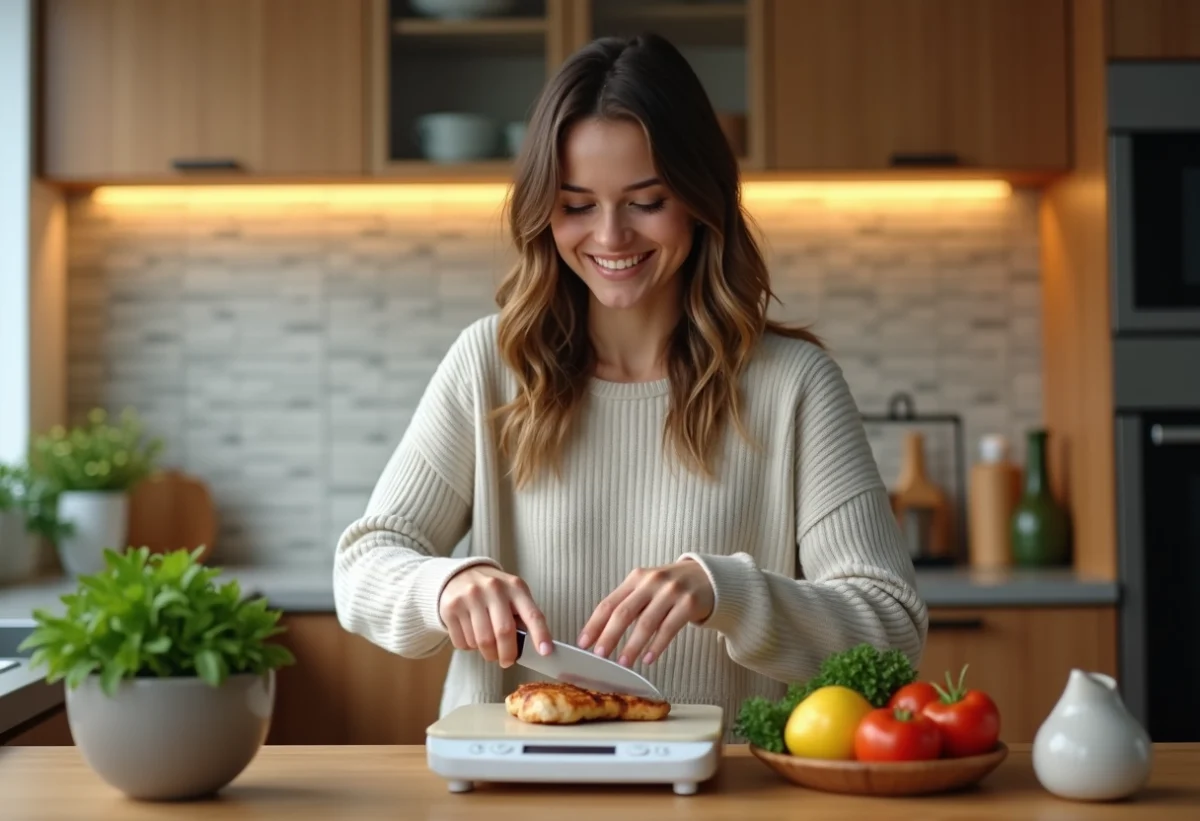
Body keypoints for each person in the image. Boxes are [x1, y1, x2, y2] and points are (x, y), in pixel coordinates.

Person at [333, 32, 927, 737]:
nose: (610, 236)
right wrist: (445, 585)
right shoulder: (488, 365)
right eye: (577, 204)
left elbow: (893, 628)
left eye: (646, 200)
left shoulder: (792, 386)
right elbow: (363, 566)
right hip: (515, 791)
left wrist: (726, 591)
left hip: (723, 794)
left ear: (701, 199)